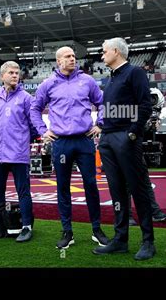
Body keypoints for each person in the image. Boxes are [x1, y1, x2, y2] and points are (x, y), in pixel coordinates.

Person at [30, 46, 109, 249]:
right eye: (68, 56)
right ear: (58, 61)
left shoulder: (87, 81)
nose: (73, 59)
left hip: (84, 140)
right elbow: (34, 108)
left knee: (91, 184)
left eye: (74, 56)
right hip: (61, 142)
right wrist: (42, 130)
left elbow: (103, 103)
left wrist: (100, 123)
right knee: (63, 187)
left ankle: (97, 229)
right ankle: (67, 231)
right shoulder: (48, 84)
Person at [93, 37, 155, 260]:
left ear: (116, 51)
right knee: (116, 191)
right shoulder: (110, 79)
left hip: (125, 137)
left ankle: (148, 241)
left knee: (137, 189)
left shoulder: (134, 73)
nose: (102, 55)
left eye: (104, 50)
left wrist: (133, 132)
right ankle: (120, 239)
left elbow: (146, 105)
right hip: (108, 139)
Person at [0, 61, 35, 243]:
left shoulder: (26, 98)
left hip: (18, 153)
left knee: (23, 191)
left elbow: (33, 125)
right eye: (11, 72)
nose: (15, 75)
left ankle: (26, 227)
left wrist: (21, 140)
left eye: (17, 73)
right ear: (2, 77)